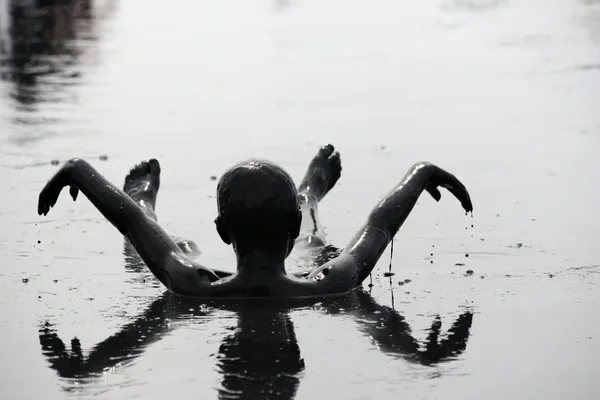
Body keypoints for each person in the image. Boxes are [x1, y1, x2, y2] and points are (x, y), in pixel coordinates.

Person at [37, 144, 473, 298]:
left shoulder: (193, 284)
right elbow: (377, 228)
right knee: (314, 246)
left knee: (172, 246)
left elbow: (133, 226)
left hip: (224, 254)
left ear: (223, 232)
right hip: (297, 239)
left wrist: (79, 168)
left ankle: (148, 200)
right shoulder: (333, 283)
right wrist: (421, 174)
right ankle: (309, 196)